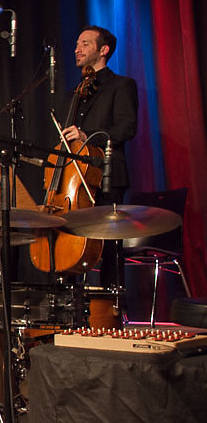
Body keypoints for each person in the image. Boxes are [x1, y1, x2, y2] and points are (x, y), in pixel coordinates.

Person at [63, 25, 138, 287]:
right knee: (70, 239)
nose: (77, 49)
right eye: (77, 44)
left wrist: (87, 136)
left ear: (103, 50)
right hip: (75, 177)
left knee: (109, 245)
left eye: (84, 43)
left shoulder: (122, 85)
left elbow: (126, 128)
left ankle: (112, 307)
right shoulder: (79, 90)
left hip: (106, 174)